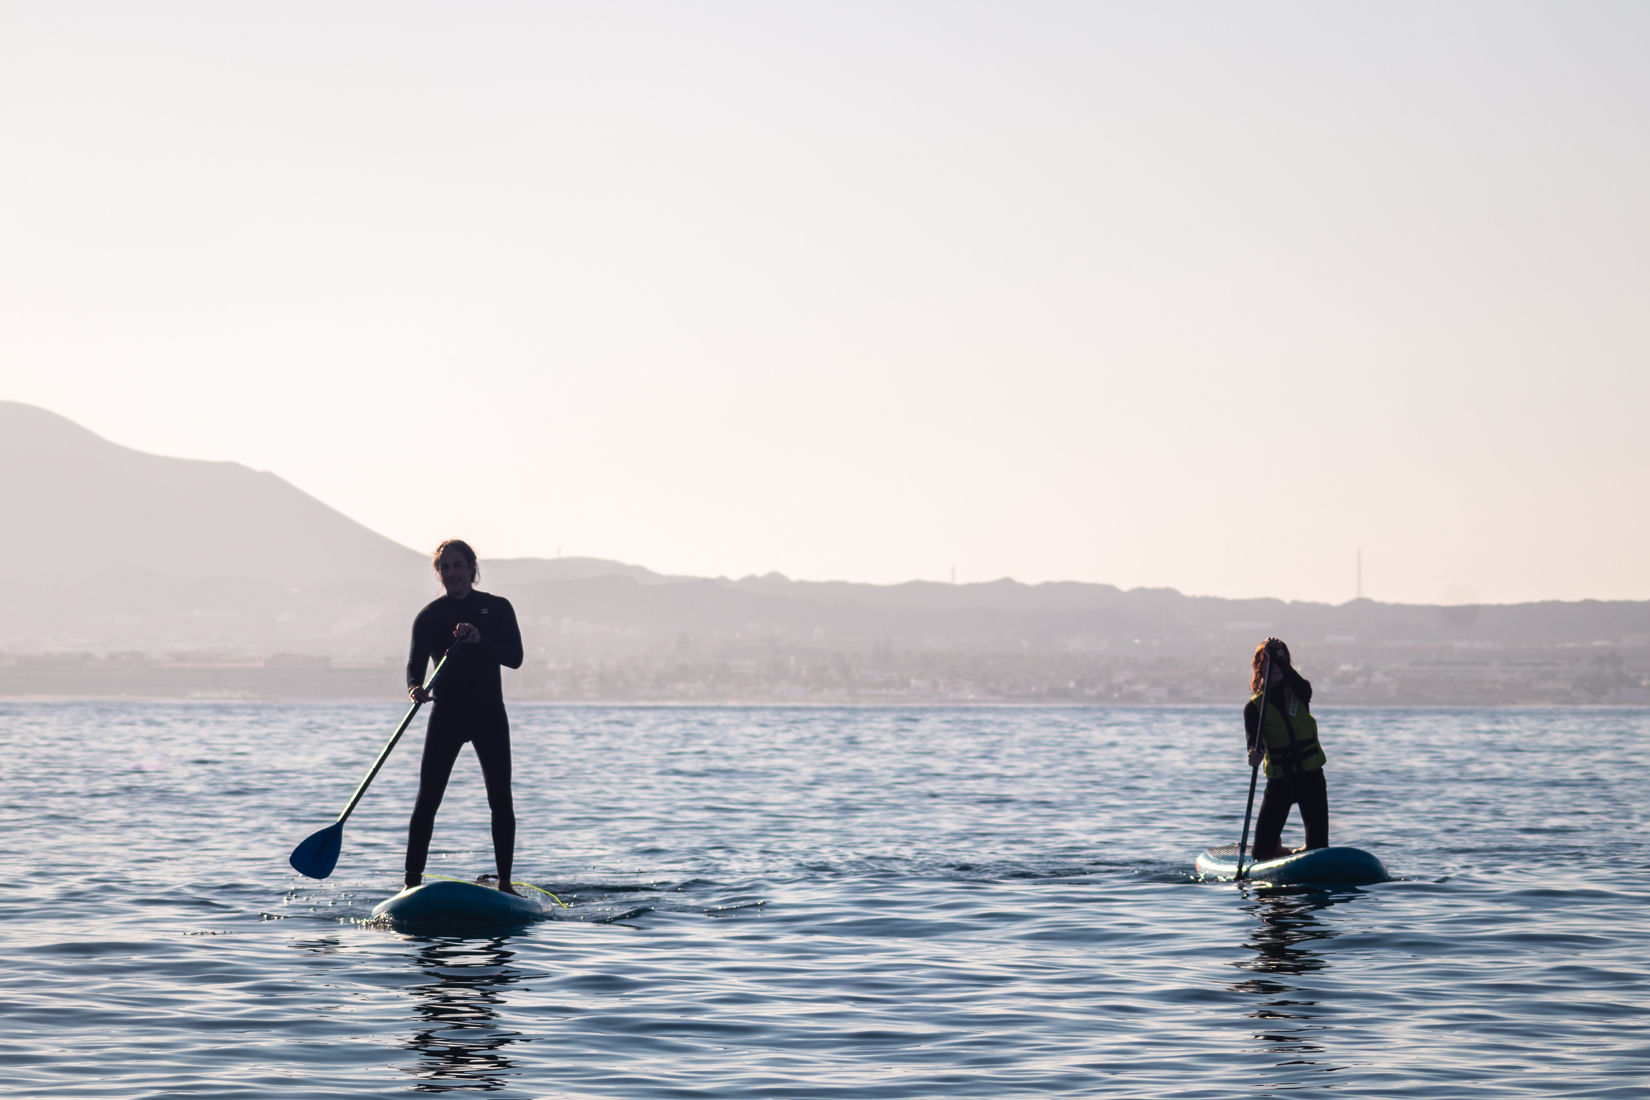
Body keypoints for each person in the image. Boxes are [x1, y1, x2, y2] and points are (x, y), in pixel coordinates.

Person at [403, 539, 524, 895]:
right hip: (447, 715)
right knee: (428, 799)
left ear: (472, 568)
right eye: (445, 567)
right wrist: (414, 688)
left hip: (489, 716)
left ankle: (505, 884)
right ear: (438, 573)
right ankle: (411, 883)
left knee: (500, 799)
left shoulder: (496, 608)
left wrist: (479, 639)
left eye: (458, 565)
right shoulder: (429, 616)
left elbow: (515, 657)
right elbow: (414, 665)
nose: (452, 573)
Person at [1243, 638, 1327, 862]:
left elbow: (1305, 688)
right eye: (1270, 661)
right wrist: (1253, 753)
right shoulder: (1254, 707)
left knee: (1319, 846)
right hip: (1280, 782)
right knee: (1261, 854)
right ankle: (1277, 848)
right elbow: (1254, 743)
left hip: (1311, 777)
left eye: (1281, 660)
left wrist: (1280, 660)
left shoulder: (1300, 692)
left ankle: (1307, 848)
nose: (1277, 665)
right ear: (1260, 667)